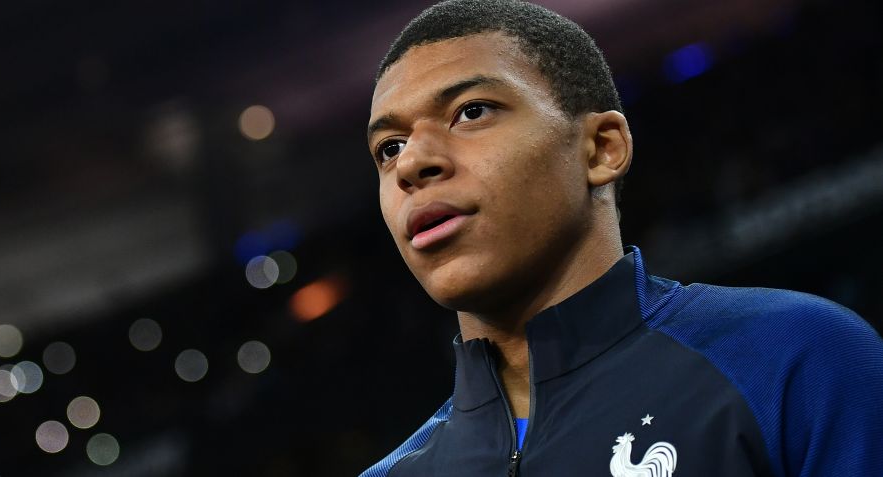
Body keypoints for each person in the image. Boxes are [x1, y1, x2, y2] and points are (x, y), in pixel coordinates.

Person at [361, 0, 883, 475]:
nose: (411, 163)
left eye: (471, 111)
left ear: (601, 149)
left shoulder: (794, 360)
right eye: (390, 147)